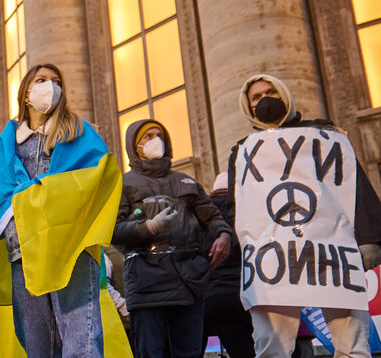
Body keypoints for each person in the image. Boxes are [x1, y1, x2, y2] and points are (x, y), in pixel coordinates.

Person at [0, 64, 124, 358]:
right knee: (37, 347)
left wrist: (32, 197)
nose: (50, 86)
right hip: (23, 251)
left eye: (56, 81)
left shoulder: (80, 132)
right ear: (25, 94)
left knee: (82, 343)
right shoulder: (7, 141)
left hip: (70, 249)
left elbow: (96, 182)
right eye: (41, 80)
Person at [228, 74, 381, 356]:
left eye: (270, 92)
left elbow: (353, 185)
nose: (265, 100)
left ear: (284, 94)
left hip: (332, 255)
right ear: (248, 108)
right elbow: (238, 209)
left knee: (352, 344)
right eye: (256, 97)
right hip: (273, 262)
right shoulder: (242, 152)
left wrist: (369, 239)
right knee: (271, 346)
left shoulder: (326, 136)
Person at [111, 119, 233, 358]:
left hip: (189, 282)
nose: (155, 140)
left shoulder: (185, 181)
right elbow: (113, 231)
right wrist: (149, 227)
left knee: (189, 353)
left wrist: (224, 234)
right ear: (134, 145)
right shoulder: (122, 183)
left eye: (159, 135)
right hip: (146, 282)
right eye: (147, 136)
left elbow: (212, 215)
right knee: (151, 353)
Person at [202, 172, 255, 358]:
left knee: (241, 352)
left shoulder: (201, 218)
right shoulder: (247, 211)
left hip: (216, 297)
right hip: (251, 294)